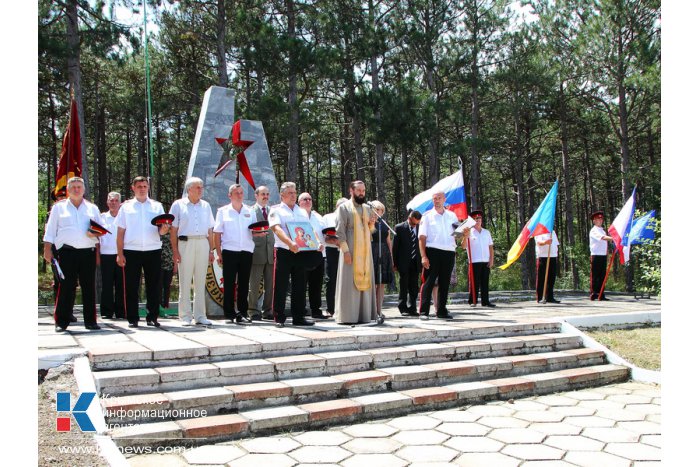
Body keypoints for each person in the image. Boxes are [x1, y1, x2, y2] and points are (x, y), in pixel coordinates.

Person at [43, 177, 103, 332]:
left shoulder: (92, 208)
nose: (76, 190)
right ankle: (61, 322)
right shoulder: (58, 208)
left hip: (87, 252)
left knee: (89, 287)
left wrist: (95, 235)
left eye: (79, 187)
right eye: (74, 187)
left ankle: (90, 321)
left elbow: (101, 230)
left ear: (83, 190)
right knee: (66, 287)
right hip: (67, 252)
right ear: (68, 190)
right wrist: (47, 249)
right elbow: (50, 230)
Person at [116, 176, 170, 328]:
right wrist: (119, 254)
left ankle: (152, 316)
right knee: (131, 286)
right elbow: (120, 232)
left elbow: (161, 230)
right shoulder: (125, 208)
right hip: (131, 250)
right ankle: (133, 318)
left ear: (148, 187)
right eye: (139, 186)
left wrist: (164, 230)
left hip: (152, 250)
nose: (142, 189)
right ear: (133, 188)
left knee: (154, 285)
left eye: (145, 186)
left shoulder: (157, 206)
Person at [268, 182, 316, 327]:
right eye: (290, 193)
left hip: (301, 252)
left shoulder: (301, 211)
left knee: (300, 285)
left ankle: (298, 316)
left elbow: (308, 230)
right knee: (281, 284)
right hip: (284, 251)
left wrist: (316, 243)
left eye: (295, 193)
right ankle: (279, 317)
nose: (293, 195)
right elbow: (276, 229)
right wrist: (290, 243)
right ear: (282, 195)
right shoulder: (276, 210)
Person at [169, 177, 215, 326]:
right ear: (189, 189)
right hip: (185, 243)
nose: (200, 190)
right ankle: (185, 316)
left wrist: (210, 250)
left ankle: (200, 315)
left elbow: (210, 229)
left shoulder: (206, 206)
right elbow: (173, 230)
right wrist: (175, 251)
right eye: (197, 187)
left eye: (201, 187)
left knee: (201, 281)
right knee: (185, 280)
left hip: (202, 242)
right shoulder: (178, 205)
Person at [213, 183, 258, 324]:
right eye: (236, 193)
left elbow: (254, 230)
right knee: (229, 283)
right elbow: (217, 234)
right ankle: (229, 314)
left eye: (241, 192)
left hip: (246, 251)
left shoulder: (250, 211)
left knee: (244, 284)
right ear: (229, 195)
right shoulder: (223, 211)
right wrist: (219, 254)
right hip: (229, 251)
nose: (239, 195)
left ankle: (243, 313)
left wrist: (260, 233)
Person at [334, 181, 378, 324]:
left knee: (366, 279)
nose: (361, 193)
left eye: (363, 190)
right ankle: (348, 316)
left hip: (365, 250)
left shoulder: (367, 208)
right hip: (350, 249)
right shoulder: (344, 208)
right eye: (358, 190)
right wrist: (345, 251)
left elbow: (370, 231)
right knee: (349, 282)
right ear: (351, 191)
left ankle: (364, 315)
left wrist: (372, 223)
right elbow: (340, 232)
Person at [418, 191, 459, 320]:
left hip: (449, 252)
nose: (436, 200)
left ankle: (441, 311)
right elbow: (422, 238)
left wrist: (465, 232)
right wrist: (423, 256)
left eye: (439, 198)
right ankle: (424, 312)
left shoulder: (452, 216)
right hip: (433, 251)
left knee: (445, 282)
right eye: (434, 198)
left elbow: (457, 235)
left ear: (444, 199)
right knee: (429, 281)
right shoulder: (427, 216)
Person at [299, 192, 329, 320]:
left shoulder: (318, 217)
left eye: (310, 199)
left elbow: (324, 234)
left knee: (316, 284)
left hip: (319, 255)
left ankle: (316, 310)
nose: (308, 201)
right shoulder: (296, 215)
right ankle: (301, 309)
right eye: (304, 199)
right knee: (301, 284)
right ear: (299, 202)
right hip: (302, 254)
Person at [247, 186, 275, 321]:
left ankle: (268, 310)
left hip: (270, 253)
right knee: (254, 284)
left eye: (267, 194)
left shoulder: (273, 211)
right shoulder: (250, 211)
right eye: (263, 194)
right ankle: (253, 310)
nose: (266, 196)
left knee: (270, 285)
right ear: (256, 196)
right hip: (256, 252)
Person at [461, 209, 496, 308]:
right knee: (474, 282)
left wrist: (491, 260)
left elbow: (490, 247)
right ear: (472, 220)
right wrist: (465, 237)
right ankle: (473, 301)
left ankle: (485, 301)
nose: (478, 220)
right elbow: (463, 246)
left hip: (485, 260)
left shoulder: (486, 232)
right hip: (474, 261)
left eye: (479, 218)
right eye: (476, 219)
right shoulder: (469, 232)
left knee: (485, 282)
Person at [99, 192, 125, 319]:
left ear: (120, 203)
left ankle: (121, 311)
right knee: (107, 284)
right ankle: (106, 312)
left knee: (121, 284)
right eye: (111, 200)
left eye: (116, 200)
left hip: (122, 254)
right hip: (106, 255)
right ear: (107, 202)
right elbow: (96, 238)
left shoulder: (124, 217)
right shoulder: (101, 217)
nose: (113, 203)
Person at [392, 210, 422, 317]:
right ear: (409, 219)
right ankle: (403, 307)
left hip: (416, 262)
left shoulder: (420, 228)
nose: (415, 225)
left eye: (417, 223)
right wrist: (394, 263)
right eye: (414, 223)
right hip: (403, 262)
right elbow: (395, 247)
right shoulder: (399, 228)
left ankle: (412, 308)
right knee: (404, 285)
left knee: (414, 286)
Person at [322, 198, 348, 317]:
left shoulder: (351, 217)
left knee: (346, 280)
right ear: (337, 207)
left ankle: (345, 308)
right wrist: (337, 242)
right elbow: (324, 237)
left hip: (347, 252)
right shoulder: (328, 217)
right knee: (331, 281)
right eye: (341, 206)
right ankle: (331, 309)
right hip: (332, 252)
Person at [370, 200, 393, 311]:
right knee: (373, 283)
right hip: (372, 251)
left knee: (381, 282)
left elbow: (389, 241)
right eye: (376, 209)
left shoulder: (384, 223)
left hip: (384, 252)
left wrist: (392, 257)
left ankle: (379, 310)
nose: (378, 211)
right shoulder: (368, 221)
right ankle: (371, 310)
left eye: (380, 210)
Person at [589, 211, 613, 300]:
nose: (600, 220)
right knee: (595, 275)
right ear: (594, 221)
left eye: (601, 219)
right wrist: (614, 239)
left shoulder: (602, 230)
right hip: (596, 255)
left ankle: (601, 294)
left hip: (603, 255)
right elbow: (602, 238)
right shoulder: (594, 230)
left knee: (602, 275)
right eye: (598, 219)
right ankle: (594, 293)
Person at [535, 230, 560, 303]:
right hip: (543, 256)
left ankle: (550, 297)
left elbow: (555, 244)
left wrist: (555, 254)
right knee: (541, 278)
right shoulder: (540, 230)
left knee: (551, 278)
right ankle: (540, 297)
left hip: (552, 256)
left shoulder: (553, 232)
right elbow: (539, 243)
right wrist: (545, 242)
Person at [159, 229, 176, 311]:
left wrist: (175, 264)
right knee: (158, 285)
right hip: (159, 263)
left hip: (169, 263)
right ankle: (158, 306)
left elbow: (175, 249)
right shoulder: (158, 232)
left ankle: (166, 306)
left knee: (167, 286)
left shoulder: (173, 234)